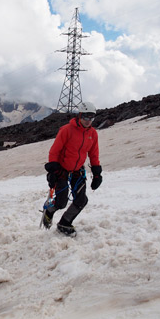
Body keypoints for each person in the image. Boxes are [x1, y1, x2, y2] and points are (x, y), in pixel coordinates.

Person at [43, 101, 103, 236]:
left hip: (77, 171)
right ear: (80, 115)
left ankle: (64, 223)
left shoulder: (92, 134)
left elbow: (94, 154)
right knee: (61, 202)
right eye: (86, 117)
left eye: (91, 117)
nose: (89, 120)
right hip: (62, 170)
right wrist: (52, 171)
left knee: (81, 200)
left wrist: (97, 173)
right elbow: (54, 151)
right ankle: (50, 210)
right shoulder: (66, 130)